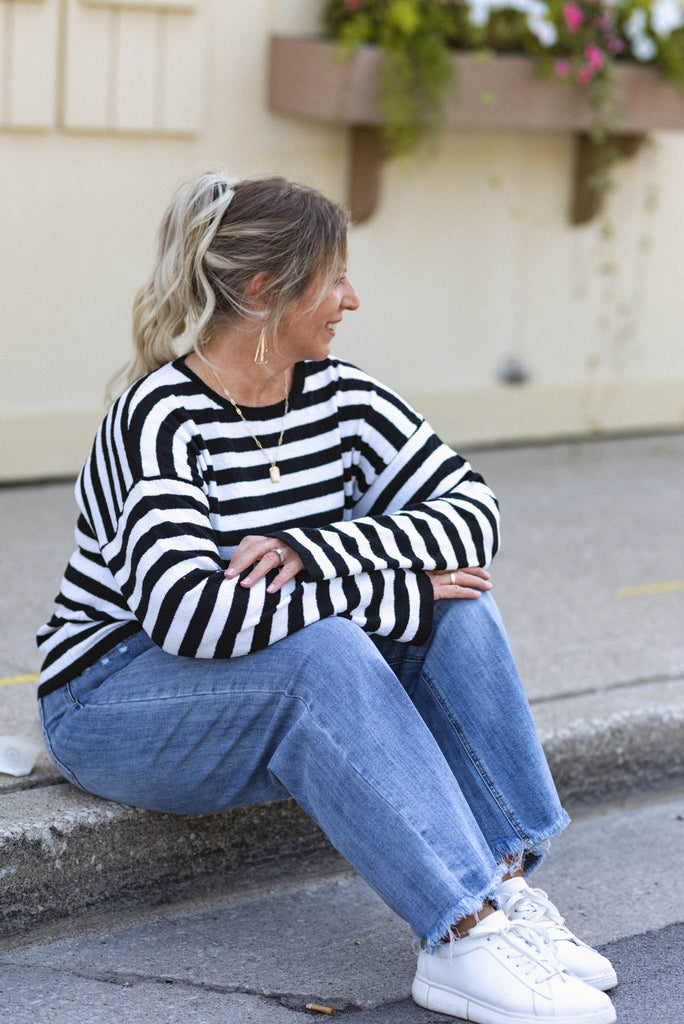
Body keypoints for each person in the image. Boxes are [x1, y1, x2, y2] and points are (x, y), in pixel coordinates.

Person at [37, 171, 617, 1024]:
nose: (352, 298)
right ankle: (460, 931)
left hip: (256, 674)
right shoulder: (159, 417)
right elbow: (189, 616)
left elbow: (476, 517)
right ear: (268, 289)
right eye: (333, 277)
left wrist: (316, 552)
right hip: (115, 697)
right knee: (336, 644)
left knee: (454, 610)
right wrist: (390, 595)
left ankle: (504, 886)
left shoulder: (343, 397)